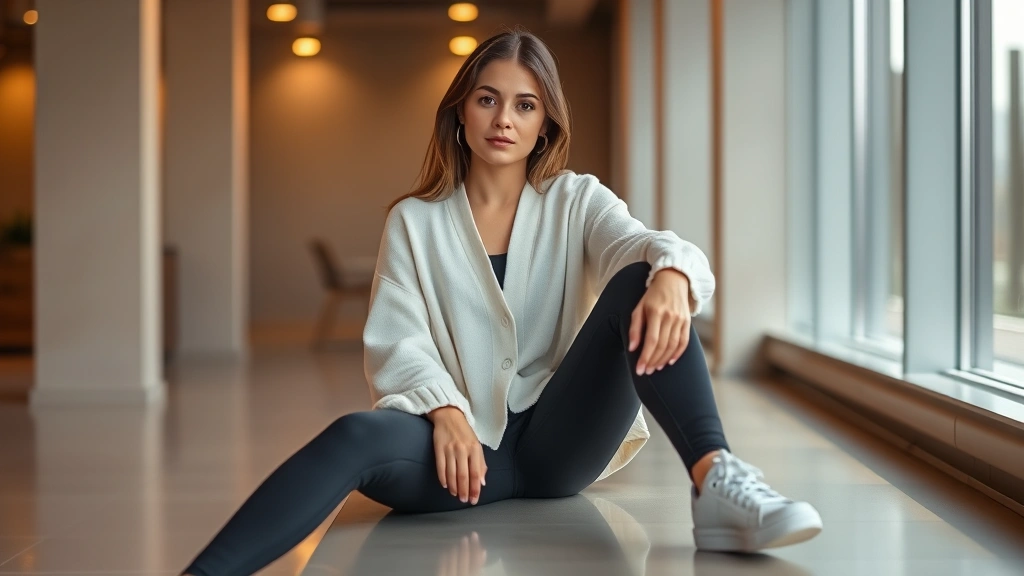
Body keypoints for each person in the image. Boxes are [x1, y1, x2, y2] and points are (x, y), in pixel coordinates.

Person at [181, 28, 822, 576]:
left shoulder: (576, 200)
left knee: (642, 279)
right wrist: (444, 409)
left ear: (545, 125)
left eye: (525, 105)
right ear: (460, 112)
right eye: (487, 99)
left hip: (560, 444)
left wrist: (674, 276)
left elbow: (643, 244)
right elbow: (398, 338)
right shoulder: (414, 222)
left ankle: (717, 482)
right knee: (354, 433)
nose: (503, 120)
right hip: (455, 458)